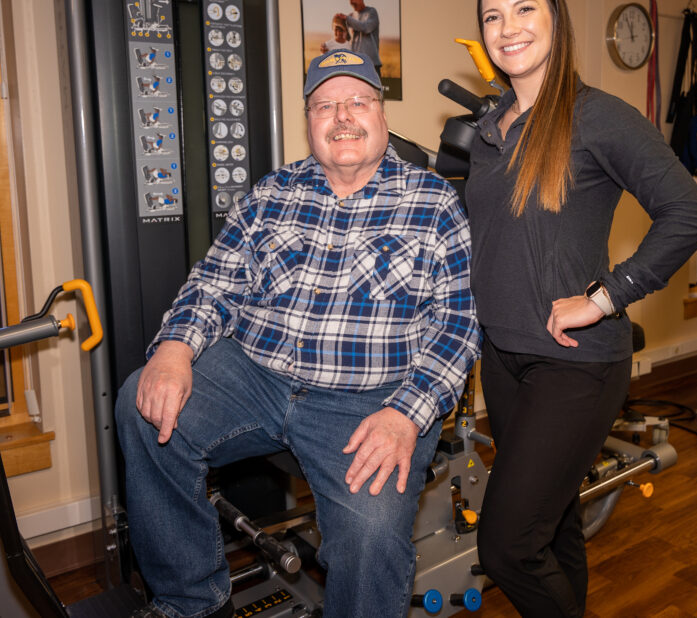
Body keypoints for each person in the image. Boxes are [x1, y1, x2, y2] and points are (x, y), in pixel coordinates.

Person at [116, 48, 481, 618]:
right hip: (255, 375)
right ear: (308, 120)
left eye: (356, 101)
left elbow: (456, 326)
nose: (341, 117)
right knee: (141, 403)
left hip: (369, 401)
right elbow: (213, 283)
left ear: (382, 114)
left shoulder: (431, 202)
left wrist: (407, 414)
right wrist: (173, 347)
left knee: (369, 534)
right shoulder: (271, 195)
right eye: (324, 105)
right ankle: (190, 603)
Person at [466, 0, 697, 617]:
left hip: (574, 363)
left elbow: (689, 214)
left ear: (556, 21)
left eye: (524, 10)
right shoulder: (489, 132)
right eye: (493, 15)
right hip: (503, 357)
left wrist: (605, 296)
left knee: (507, 547)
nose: (507, 27)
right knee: (553, 528)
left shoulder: (599, 117)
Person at [335, 0, 381, 75]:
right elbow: (347, 39)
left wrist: (347, 19)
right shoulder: (351, 16)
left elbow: (366, 28)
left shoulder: (371, 12)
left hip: (371, 66)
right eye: (349, 0)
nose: (351, 2)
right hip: (355, 66)